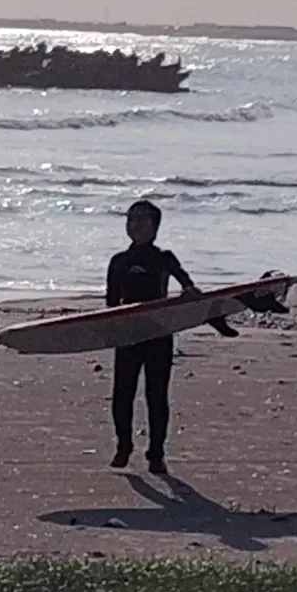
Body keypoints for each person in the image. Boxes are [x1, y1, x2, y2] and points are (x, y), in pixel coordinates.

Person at [104, 197, 231, 472]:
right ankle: (123, 446)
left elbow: (188, 284)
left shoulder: (164, 258)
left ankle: (156, 453)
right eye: (130, 218)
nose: (135, 224)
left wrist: (191, 293)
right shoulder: (119, 261)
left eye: (142, 219)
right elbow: (111, 303)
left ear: (155, 226)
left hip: (160, 334)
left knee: (156, 394)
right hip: (128, 334)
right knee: (122, 393)